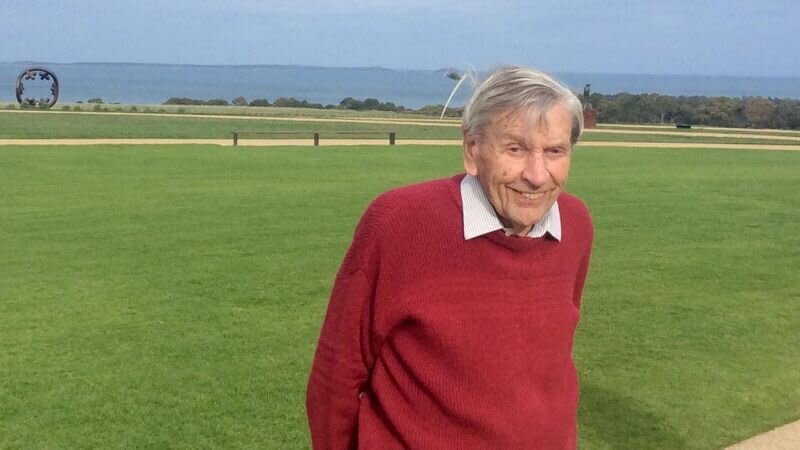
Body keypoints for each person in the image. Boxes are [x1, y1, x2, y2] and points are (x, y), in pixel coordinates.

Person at [306, 66, 594, 449]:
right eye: (515, 148)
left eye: (555, 151)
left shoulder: (575, 225)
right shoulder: (399, 222)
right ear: (472, 149)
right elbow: (335, 378)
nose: (537, 175)